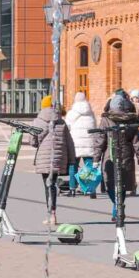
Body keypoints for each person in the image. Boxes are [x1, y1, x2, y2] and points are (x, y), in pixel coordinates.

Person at [93, 90, 139, 221]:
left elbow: (136, 141)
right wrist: (96, 158)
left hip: (121, 154)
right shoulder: (107, 119)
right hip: (110, 154)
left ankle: (117, 209)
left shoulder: (129, 120)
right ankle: (118, 206)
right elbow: (100, 139)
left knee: (118, 183)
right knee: (111, 183)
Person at [30, 95, 76, 226]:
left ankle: (50, 214)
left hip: (44, 158)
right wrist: (72, 160)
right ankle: (54, 214)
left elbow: (33, 141)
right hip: (59, 158)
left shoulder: (38, 121)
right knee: (53, 185)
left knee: (47, 186)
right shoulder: (61, 121)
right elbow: (69, 142)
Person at [65, 91, 97, 197]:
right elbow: (95, 127)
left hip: (75, 143)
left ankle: (72, 188)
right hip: (89, 143)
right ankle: (90, 189)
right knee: (89, 166)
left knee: (73, 166)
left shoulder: (72, 113)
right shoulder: (91, 113)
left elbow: (67, 127)